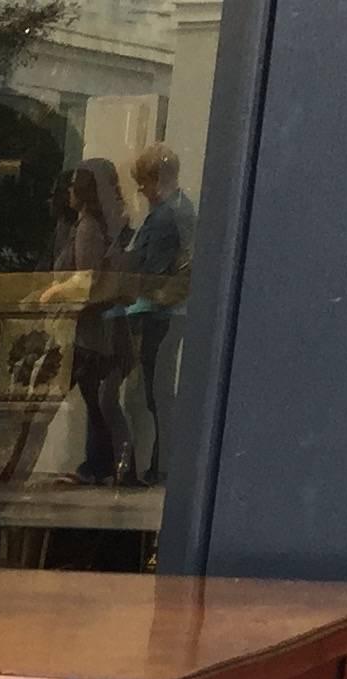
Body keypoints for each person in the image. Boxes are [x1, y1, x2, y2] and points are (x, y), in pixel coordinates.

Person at [53, 158, 133, 485]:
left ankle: (106, 465)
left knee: (77, 398)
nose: (69, 191)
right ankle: (104, 465)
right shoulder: (91, 226)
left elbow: (86, 279)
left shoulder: (88, 228)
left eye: (74, 185)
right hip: (94, 328)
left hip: (90, 330)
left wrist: (55, 291)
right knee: (96, 400)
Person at [124, 142, 197, 487]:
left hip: (159, 313)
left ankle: (163, 463)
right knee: (159, 390)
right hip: (169, 311)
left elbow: (150, 268)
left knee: (157, 391)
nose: (142, 191)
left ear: (155, 179)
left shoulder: (167, 216)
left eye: (143, 183)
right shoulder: (181, 209)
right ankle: (160, 461)